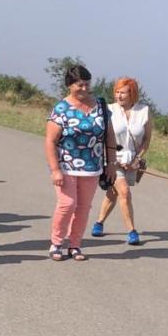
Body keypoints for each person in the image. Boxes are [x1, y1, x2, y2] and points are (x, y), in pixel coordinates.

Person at [45, 65, 117, 261]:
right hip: (66, 165)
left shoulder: (101, 106)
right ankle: (56, 243)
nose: (84, 89)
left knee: (84, 207)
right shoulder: (61, 109)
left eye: (87, 84)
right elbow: (50, 141)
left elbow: (110, 136)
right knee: (67, 204)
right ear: (69, 85)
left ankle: (75, 245)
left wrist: (111, 163)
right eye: (79, 85)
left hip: (92, 167)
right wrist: (55, 170)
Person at [93, 77, 153, 245]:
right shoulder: (108, 109)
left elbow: (147, 139)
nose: (119, 96)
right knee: (124, 192)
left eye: (123, 92)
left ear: (132, 93)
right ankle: (132, 231)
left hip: (132, 160)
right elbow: (101, 136)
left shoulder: (144, 111)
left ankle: (99, 222)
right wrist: (112, 160)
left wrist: (137, 159)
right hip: (112, 159)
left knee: (114, 193)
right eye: (117, 92)